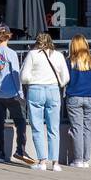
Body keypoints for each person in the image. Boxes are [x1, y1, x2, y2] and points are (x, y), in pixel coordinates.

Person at [20, 32, 69, 172]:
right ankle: (55, 163)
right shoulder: (58, 55)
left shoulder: (32, 54)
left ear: (37, 41)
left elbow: (23, 77)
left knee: (37, 127)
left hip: (36, 90)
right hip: (53, 90)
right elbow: (65, 77)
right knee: (54, 128)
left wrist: (32, 81)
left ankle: (42, 161)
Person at [0, 24, 32, 164]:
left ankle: (0, 153)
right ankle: (20, 149)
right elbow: (15, 75)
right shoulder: (11, 53)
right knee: (21, 122)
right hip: (11, 93)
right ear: (9, 35)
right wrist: (20, 92)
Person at [64, 34, 91, 169]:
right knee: (88, 129)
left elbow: (66, 79)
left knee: (77, 128)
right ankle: (85, 159)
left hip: (74, 97)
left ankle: (78, 160)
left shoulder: (70, 61)